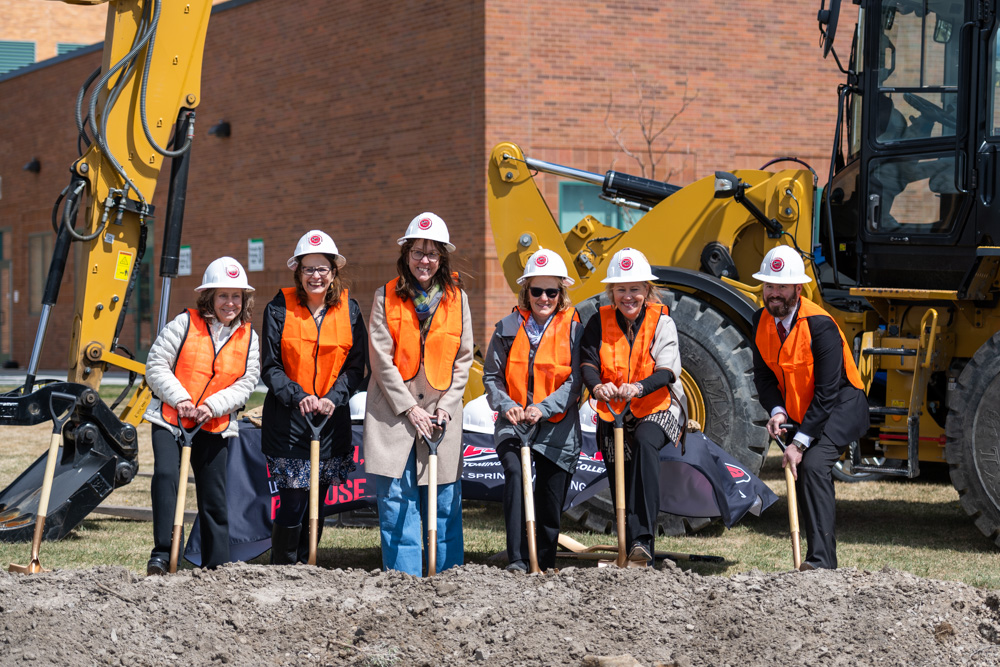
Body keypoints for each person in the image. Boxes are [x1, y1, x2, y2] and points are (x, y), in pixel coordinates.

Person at [364, 212, 474, 576]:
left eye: (431, 253)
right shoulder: (385, 296)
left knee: (444, 501)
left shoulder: (459, 300)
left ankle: (448, 580)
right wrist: (410, 409)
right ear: (406, 255)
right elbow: (380, 360)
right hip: (394, 414)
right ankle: (403, 581)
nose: (424, 260)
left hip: (442, 415)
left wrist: (445, 407)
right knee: (397, 501)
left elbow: (464, 358)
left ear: (442, 258)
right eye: (417, 252)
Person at [750, 245, 869, 570]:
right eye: (769, 286)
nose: (774, 294)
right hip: (802, 409)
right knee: (803, 470)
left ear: (797, 289)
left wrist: (800, 443)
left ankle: (820, 562)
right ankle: (820, 562)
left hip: (842, 405)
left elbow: (828, 391)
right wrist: (777, 411)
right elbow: (763, 377)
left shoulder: (820, 325)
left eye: (782, 287)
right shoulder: (759, 320)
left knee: (813, 464)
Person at [144, 257, 260, 575]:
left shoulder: (249, 337)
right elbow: (155, 365)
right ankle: (163, 553)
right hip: (171, 418)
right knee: (167, 477)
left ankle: (217, 562)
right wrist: (180, 398)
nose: (230, 303)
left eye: (237, 296)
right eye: (223, 295)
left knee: (214, 493)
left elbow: (246, 383)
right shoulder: (184, 324)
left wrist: (212, 406)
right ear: (208, 297)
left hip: (213, 423)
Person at [260, 230, 367, 565]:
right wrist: (299, 396)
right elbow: (271, 367)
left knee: (317, 501)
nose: (315, 276)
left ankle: (309, 563)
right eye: (308, 269)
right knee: (293, 499)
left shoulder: (350, 310)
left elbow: (356, 366)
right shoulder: (278, 308)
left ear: (334, 272)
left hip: (331, 421)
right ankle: (283, 565)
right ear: (298, 272)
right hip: (289, 421)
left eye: (322, 269)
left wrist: (334, 397)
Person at [579, 247, 686, 566]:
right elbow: (587, 360)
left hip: (658, 406)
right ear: (612, 291)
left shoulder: (662, 322)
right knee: (615, 463)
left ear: (647, 290)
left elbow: (667, 372)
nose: (628, 296)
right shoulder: (599, 321)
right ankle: (627, 543)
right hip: (613, 408)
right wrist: (597, 386)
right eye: (621, 289)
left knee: (643, 443)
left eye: (635, 288)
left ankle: (643, 540)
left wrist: (638, 387)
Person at [484, 248, 583, 572]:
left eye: (551, 291)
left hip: (557, 425)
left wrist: (543, 407)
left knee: (550, 494)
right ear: (526, 291)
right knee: (515, 473)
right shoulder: (507, 327)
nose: (543, 298)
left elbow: (576, 381)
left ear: (560, 293)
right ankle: (517, 559)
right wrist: (508, 406)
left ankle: (544, 561)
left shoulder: (573, 328)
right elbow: (491, 376)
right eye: (536, 290)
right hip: (514, 423)